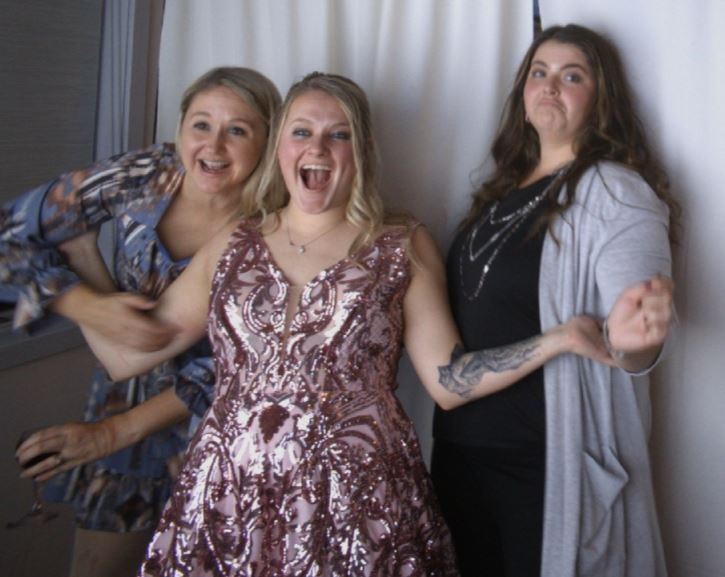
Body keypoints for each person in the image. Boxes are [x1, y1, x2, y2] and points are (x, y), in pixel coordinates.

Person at [64, 71, 672, 576]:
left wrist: (560, 338)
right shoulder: (232, 243)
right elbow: (128, 356)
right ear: (280, 149)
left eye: (339, 134)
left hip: (359, 504)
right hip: (230, 498)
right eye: (302, 132)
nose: (318, 148)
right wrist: (76, 274)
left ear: (361, 152)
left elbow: (448, 381)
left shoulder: (400, 244)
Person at [1, 67, 281, 577]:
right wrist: (83, 304)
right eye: (201, 124)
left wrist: (86, 259)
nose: (214, 145)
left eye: (238, 130)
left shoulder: (273, 228)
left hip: (215, 426)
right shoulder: (146, 173)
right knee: (95, 567)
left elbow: (238, 367)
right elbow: (11, 232)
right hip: (119, 398)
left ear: (267, 141)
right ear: (180, 127)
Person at [431, 24, 678, 577]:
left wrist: (636, 340)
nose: (550, 86)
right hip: (461, 457)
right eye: (539, 73)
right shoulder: (496, 194)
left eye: (572, 77)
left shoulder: (615, 192)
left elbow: (632, 339)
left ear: (601, 99)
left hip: (544, 462)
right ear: (522, 95)